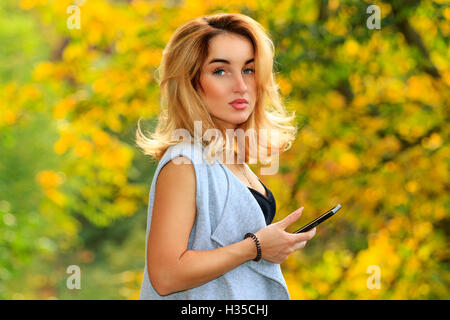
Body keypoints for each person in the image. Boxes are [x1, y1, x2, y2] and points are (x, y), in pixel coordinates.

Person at [136, 12, 316, 300]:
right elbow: (166, 276)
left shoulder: (233, 161)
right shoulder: (183, 163)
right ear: (191, 82)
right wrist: (255, 247)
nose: (241, 86)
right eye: (220, 71)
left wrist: (272, 246)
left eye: (249, 69)